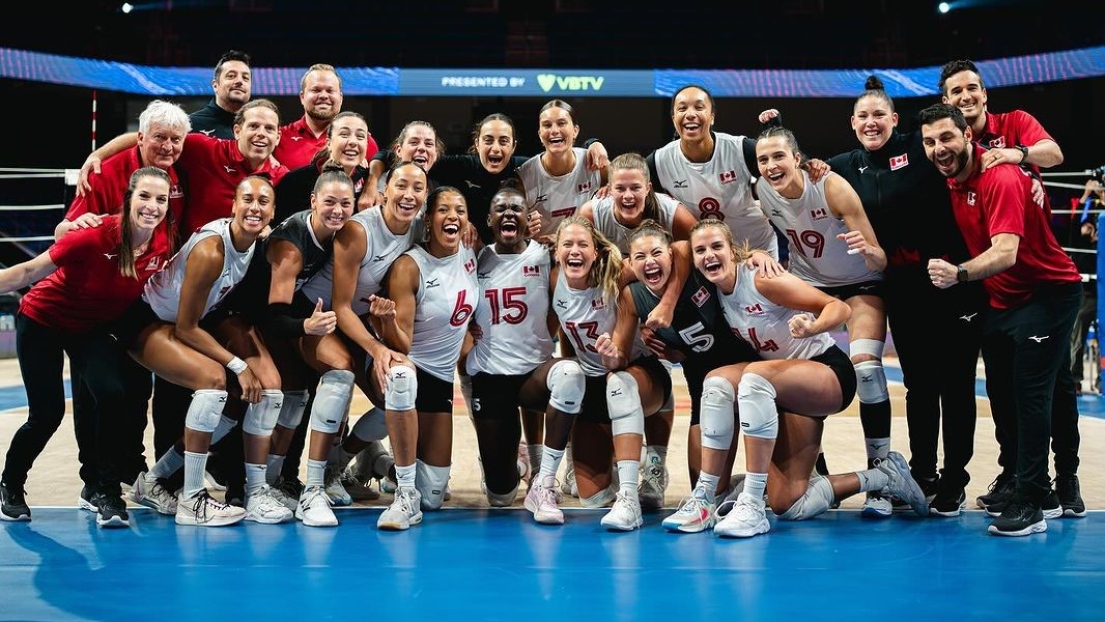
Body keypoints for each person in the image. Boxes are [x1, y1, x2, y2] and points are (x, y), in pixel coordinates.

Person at [763, 75, 987, 517]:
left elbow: (962, 151)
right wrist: (786, 132)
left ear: (894, 119)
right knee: (919, 386)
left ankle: (953, 479)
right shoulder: (844, 165)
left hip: (946, 278)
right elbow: (794, 164)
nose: (871, 122)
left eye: (879, 114)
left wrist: (1011, 159)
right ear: (852, 122)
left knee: (956, 385)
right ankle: (909, 473)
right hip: (899, 285)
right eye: (863, 116)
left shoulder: (922, 151)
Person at [683, 219, 927, 538]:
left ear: (732, 250)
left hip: (826, 372)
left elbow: (837, 308)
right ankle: (883, 477)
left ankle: (753, 503)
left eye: (716, 247)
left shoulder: (762, 279)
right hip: (782, 386)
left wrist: (813, 327)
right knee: (789, 502)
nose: (709, 255)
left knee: (754, 377)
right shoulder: (714, 292)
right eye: (700, 250)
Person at [921, 103, 1084, 535]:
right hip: (1003, 301)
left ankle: (1034, 500)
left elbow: (1006, 252)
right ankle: (1032, 487)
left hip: (1047, 293)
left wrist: (958, 274)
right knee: (1003, 393)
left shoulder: (1002, 176)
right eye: (930, 142)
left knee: (1033, 394)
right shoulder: (957, 180)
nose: (939, 148)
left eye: (946, 138)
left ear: (969, 136)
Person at [0, 167, 173, 527]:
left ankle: (105, 492)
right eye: (145, 196)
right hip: (42, 322)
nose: (152, 206)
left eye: (161, 199)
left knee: (112, 394)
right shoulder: (92, 237)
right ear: (129, 199)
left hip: (88, 328)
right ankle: (11, 485)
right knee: (46, 415)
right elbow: (28, 272)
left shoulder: (161, 244)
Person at [751, 125, 898, 518]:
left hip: (860, 281)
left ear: (797, 158)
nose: (770, 165)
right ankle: (814, 468)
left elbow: (880, 260)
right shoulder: (761, 191)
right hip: (810, 284)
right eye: (763, 159)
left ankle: (882, 475)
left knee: (867, 370)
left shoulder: (832, 187)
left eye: (778, 156)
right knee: (796, 377)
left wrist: (868, 250)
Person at [123, 175, 281, 527]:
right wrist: (238, 364)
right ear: (233, 205)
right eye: (247, 199)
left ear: (272, 212)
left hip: (177, 322)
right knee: (214, 381)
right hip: (146, 320)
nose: (254, 207)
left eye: (263, 201)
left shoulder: (254, 242)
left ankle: (151, 482)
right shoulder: (212, 251)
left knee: (236, 400)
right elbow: (186, 327)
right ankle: (191, 500)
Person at [52, 100, 191, 488]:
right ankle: (93, 478)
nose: (167, 146)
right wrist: (74, 226)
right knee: (96, 392)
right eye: (159, 138)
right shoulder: (106, 173)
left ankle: (132, 469)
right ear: (141, 137)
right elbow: (64, 233)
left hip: (140, 302)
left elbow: (162, 138)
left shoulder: (177, 170)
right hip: (92, 306)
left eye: (175, 140)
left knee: (135, 393)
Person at [610, 221, 760, 532]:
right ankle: (746, 485)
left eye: (657, 253)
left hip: (751, 374)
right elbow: (619, 354)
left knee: (791, 494)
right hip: (702, 387)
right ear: (630, 262)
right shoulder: (633, 296)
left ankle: (767, 482)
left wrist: (759, 255)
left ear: (672, 255)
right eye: (640, 257)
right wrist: (611, 356)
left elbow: (686, 248)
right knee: (706, 491)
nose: (650, 262)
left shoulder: (693, 266)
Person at [576, 152, 698, 509]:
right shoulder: (591, 214)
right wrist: (625, 272)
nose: (628, 196)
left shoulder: (671, 211)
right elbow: (572, 254)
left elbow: (697, 244)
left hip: (660, 299)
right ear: (607, 189)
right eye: (620, 188)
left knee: (658, 364)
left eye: (635, 188)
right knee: (615, 369)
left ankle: (656, 461)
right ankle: (590, 454)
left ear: (649, 188)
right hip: (616, 304)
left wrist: (667, 303)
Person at [464, 186, 584, 522]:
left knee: (571, 375)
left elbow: (561, 305)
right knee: (500, 497)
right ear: (489, 220)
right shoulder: (475, 259)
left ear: (526, 217)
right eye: (499, 208)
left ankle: (544, 480)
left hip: (534, 376)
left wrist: (546, 334)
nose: (508, 214)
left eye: (516, 208)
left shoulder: (545, 255)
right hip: (489, 378)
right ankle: (508, 462)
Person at [550, 216, 670, 531]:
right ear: (556, 251)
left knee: (620, 383)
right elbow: (565, 328)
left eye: (582, 245)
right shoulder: (554, 280)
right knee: (591, 497)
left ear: (597, 252)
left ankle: (641, 481)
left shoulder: (618, 274)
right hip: (592, 385)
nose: (574, 251)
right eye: (567, 244)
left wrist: (756, 255)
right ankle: (621, 455)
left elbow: (680, 251)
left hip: (638, 373)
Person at [322, 161, 429, 507]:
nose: (408, 195)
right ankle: (316, 476)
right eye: (401, 187)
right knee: (329, 386)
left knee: (397, 389)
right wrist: (376, 347)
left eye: (417, 189)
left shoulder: (416, 230)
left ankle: (352, 458)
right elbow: (340, 307)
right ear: (383, 193)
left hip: (363, 320)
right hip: (322, 316)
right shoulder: (359, 231)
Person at [371, 186, 479, 531]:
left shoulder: (469, 253)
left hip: (442, 376)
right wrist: (386, 321)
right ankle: (393, 487)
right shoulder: (410, 266)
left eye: (459, 210)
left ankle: (378, 464)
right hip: (411, 368)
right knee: (403, 381)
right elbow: (401, 343)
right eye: (443, 210)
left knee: (433, 496)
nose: (453, 217)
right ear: (428, 220)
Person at [261, 166, 358, 527]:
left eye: (345, 203)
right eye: (329, 202)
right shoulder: (292, 245)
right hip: (255, 316)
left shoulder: (339, 232)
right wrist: (306, 325)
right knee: (273, 399)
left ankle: (282, 479)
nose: (337, 210)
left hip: (293, 316)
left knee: (299, 398)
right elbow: (271, 316)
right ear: (313, 201)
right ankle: (257, 484)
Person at [647, 85, 780, 259]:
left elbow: (786, 166)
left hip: (755, 249)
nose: (690, 113)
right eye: (682, 108)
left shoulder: (740, 148)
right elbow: (631, 189)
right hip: (707, 256)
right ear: (673, 119)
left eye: (699, 107)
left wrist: (778, 134)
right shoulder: (658, 161)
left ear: (712, 117)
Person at [938, 59, 1064, 200]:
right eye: (957, 91)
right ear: (946, 103)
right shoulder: (944, 147)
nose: (966, 97)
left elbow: (1055, 155)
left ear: (984, 94)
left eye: (972, 88)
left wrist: (1018, 154)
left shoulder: (1016, 120)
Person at [516, 100, 605, 242]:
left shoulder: (595, 163)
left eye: (561, 123)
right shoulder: (523, 178)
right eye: (547, 125)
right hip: (542, 257)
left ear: (575, 130)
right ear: (539, 134)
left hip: (585, 252)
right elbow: (509, 231)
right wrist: (521, 230)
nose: (554, 130)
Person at [272, 63, 379, 170]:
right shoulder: (278, 138)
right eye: (316, 90)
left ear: (341, 98)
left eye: (330, 91)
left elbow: (379, 183)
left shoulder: (363, 142)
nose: (323, 96)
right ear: (302, 97)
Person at [275, 111, 374, 223]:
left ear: (366, 144)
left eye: (360, 136)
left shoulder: (370, 182)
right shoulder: (294, 182)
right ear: (328, 143)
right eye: (344, 134)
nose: (353, 142)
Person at [1071, 180, 1103, 395]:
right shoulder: (1089, 206)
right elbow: (1075, 233)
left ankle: (1102, 379)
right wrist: (1086, 196)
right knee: (1078, 332)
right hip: (1088, 287)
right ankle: (1074, 378)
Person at [189, 50, 252, 139]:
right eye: (231, 76)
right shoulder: (189, 125)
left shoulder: (259, 128)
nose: (239, 81)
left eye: (245, 78)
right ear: (215, 86)